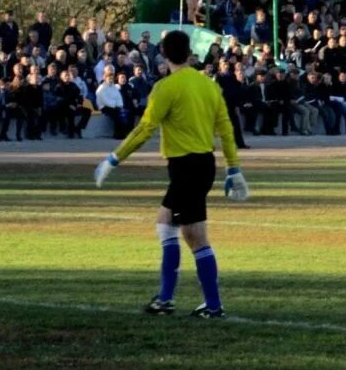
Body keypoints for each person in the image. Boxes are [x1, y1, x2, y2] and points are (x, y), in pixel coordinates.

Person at [93, 30, 247, 319]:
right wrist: (233, 167)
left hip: (186, 167)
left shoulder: (166, 88)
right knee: (165, 222)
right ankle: (167, 299)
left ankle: (208, 305)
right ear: (189, 52)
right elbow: (226, 128)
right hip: (203, 164)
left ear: (163, 55)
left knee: (195, 236)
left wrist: (114, 159)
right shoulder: (208, 86)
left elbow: (144, 129)